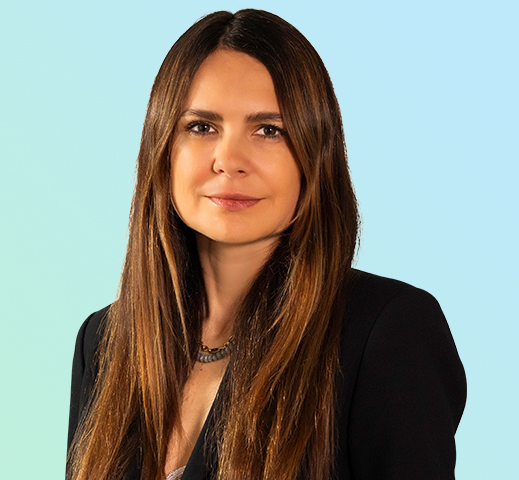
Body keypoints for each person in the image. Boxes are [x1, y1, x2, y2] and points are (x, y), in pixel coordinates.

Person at [66, 9, 466, 480]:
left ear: (314, 156)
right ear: (162, 148)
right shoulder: (105, 342)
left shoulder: (389, 332)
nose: (229, 160)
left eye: (269, 130)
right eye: (201, 126)